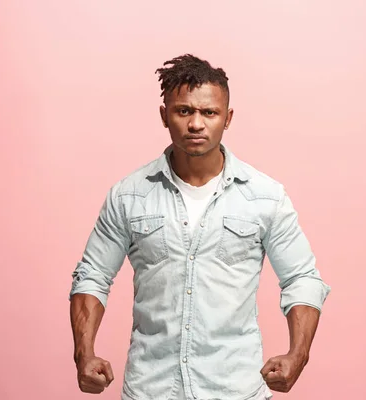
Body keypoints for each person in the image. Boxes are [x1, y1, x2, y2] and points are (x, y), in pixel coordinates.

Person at [69, 54, 331, 400]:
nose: (196, 123)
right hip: (152, 389)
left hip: (236, 389)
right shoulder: (129, 195)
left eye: (209, 112)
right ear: (164, 115)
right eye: (183, 111)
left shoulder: (265, 197)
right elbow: (92, 275)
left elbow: (302, 278)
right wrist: (83, 354)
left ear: (228, 118)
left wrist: (298, 354)